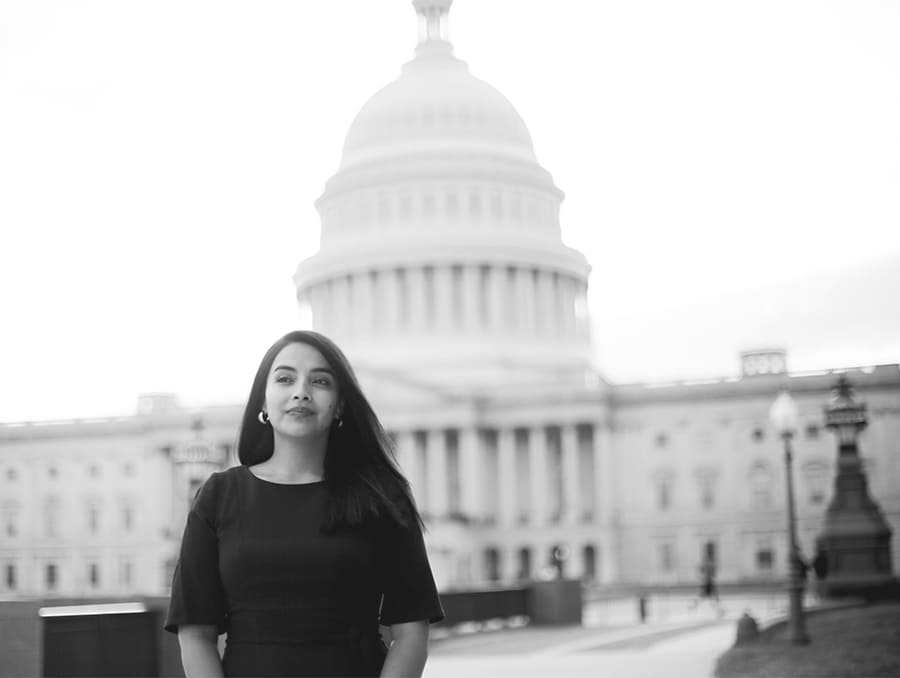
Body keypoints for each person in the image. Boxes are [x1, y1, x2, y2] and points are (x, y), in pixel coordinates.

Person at [164, 330, 444, 677]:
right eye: (284, 378)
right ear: (263, 403)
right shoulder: (218, 497)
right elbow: (195, 635)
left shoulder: (382, 498)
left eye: (320, 381)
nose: (301, 391)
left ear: (340, 404)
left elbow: (411, 633)